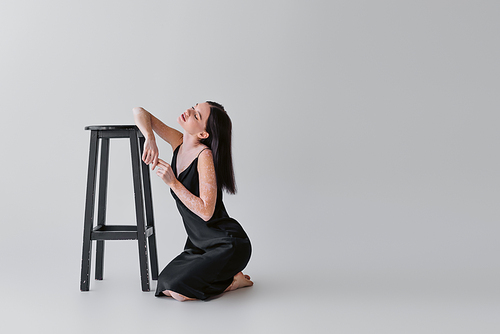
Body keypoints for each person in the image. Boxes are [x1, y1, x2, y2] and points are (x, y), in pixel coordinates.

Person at [133, 101, 253, 301]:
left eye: (196, 115)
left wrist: (174, 183)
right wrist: (150, 138)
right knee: (165, 284)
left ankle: (233, 283)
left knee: (179, 292)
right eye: (193, 107)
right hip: (199, 245)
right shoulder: (177, 141)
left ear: (203, 135)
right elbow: (139, 111)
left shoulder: (204, 155)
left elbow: (206, 211)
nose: (188, 111)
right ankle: (228, 278)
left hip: (226, 244)